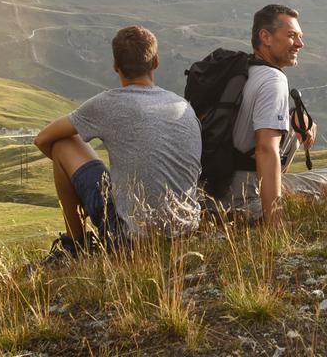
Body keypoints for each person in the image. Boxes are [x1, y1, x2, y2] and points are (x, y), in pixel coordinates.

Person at [33, 26, 202, 263]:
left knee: (62, 144)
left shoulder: (108, 103)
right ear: (156, 62)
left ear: (115, 66)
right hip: (185, 230)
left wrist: (75, 182)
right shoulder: (183, 105)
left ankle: (75, 245)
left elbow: (42, 139)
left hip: (130, 239)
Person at [214, 4, 327, 225]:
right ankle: (251, 212)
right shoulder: (273, 80)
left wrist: (293, 117)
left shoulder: (239, 71)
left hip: (214, 188)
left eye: (300, 36)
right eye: (292, 36)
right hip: (247, 194)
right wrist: (274, 221)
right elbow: (265, 148)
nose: (300, 44)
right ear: (265, 37)